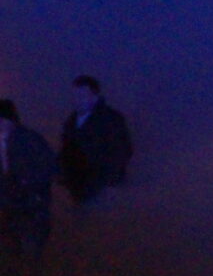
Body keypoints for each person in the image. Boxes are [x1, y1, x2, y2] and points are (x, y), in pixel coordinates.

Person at [58, 76, 132, 203]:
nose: (77, 100)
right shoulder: (71, 122)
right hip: (78, 190)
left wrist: (110, 184)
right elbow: (66, 153)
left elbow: (121, 152)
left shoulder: (111, 120)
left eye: (82, 96)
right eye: (74, 96)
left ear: (95, 97)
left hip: (101, 191)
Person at [0, 102, 58, 260]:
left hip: (31, 208)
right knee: (11, 255)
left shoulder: (30, 140)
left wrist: (27, 184)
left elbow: (50, 168)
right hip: (9, 209)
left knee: (31, 253)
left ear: (9, 120)